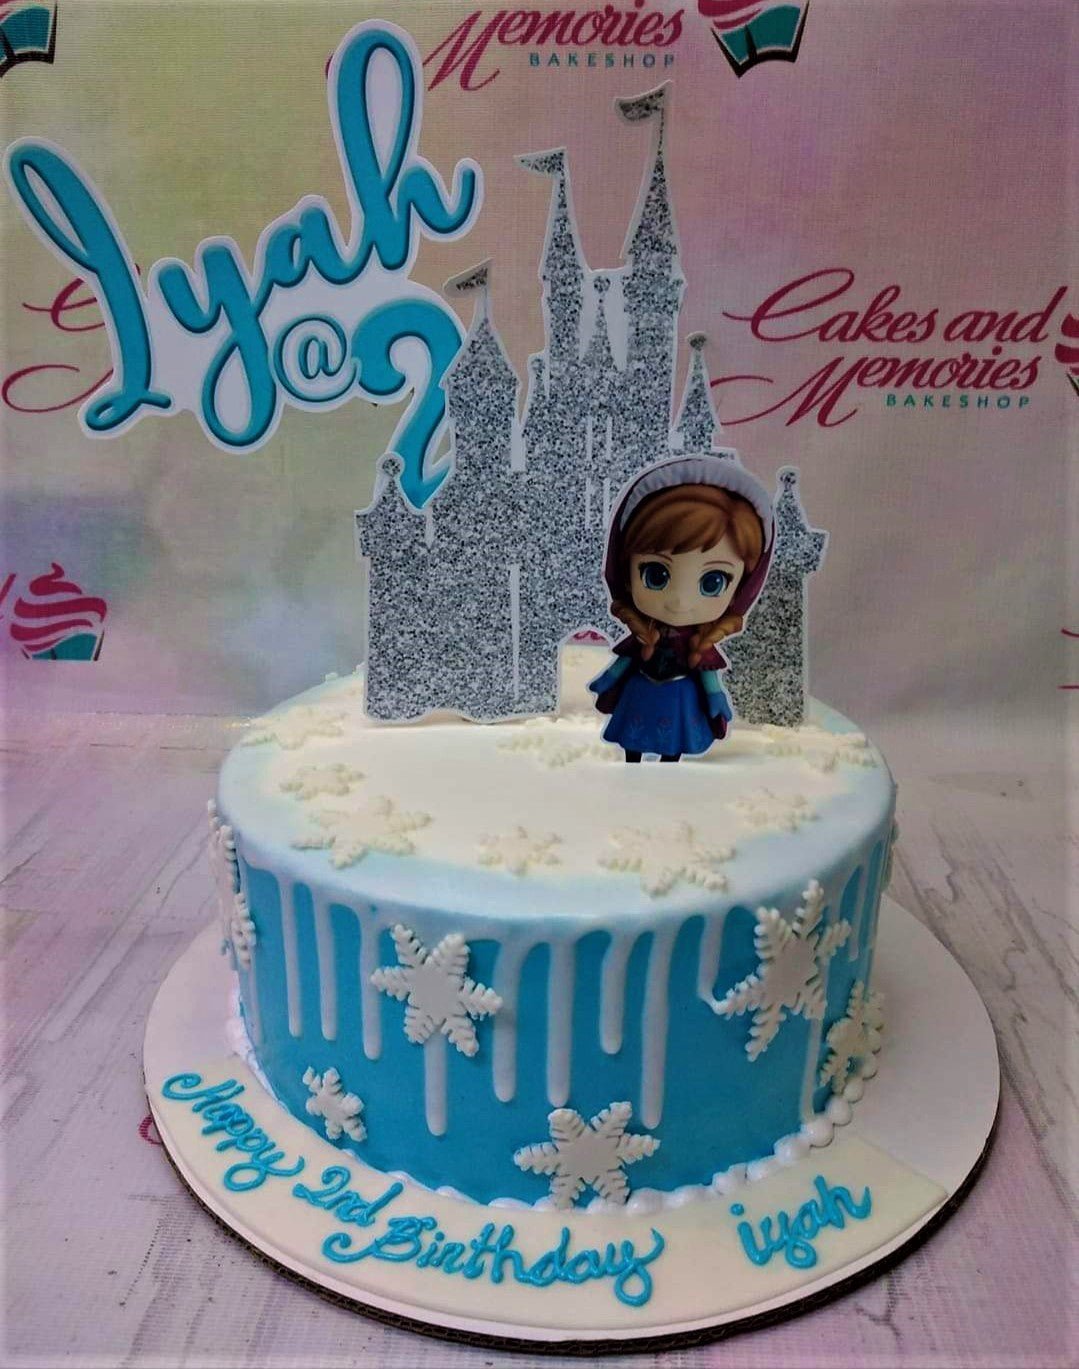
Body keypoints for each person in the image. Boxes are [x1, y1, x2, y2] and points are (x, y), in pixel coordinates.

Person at [589, 455, 773, 762]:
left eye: (712, 582)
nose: (680, 601)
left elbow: (707, 673)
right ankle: (633, 759)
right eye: (656, 574)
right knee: (633, 738)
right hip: (641, 692)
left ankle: (669, 764)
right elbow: (626, 658)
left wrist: (715, 695)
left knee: (673, 741)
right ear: (626, 572)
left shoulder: (697, 642)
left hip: (679, 698)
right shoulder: (645, 632)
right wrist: (608, 679)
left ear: (741, 588)